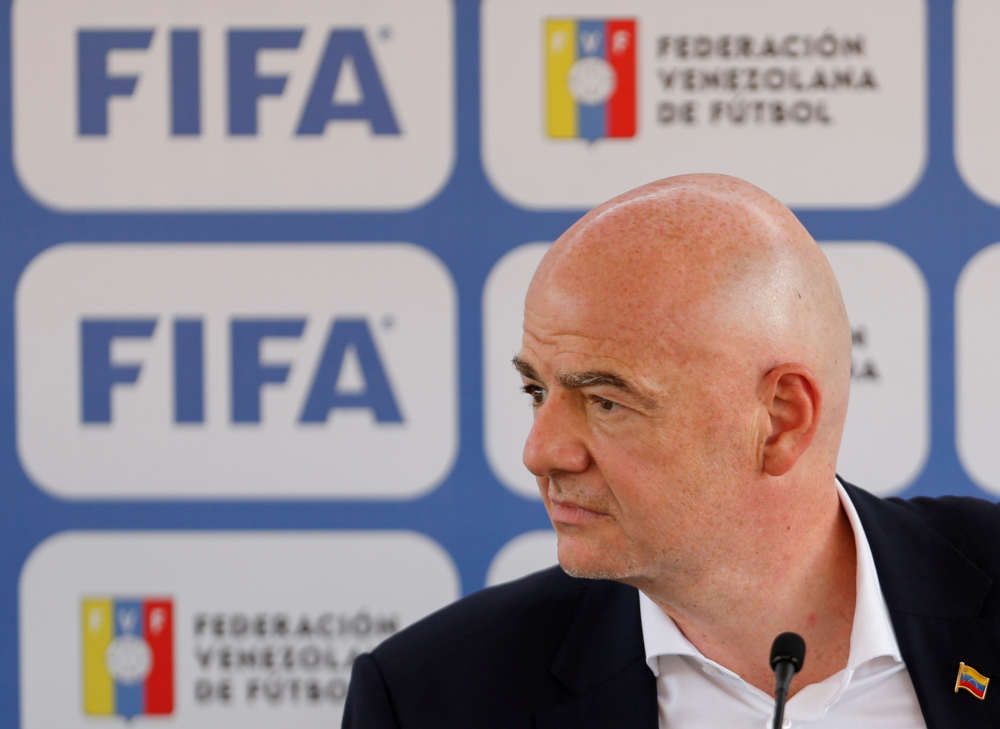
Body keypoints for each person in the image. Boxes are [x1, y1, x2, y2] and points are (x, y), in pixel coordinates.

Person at [342, 174, 1000, 728]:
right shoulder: (435, 696)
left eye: (606, 401)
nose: (540, 452)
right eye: (536, 389)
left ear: (779, 420)